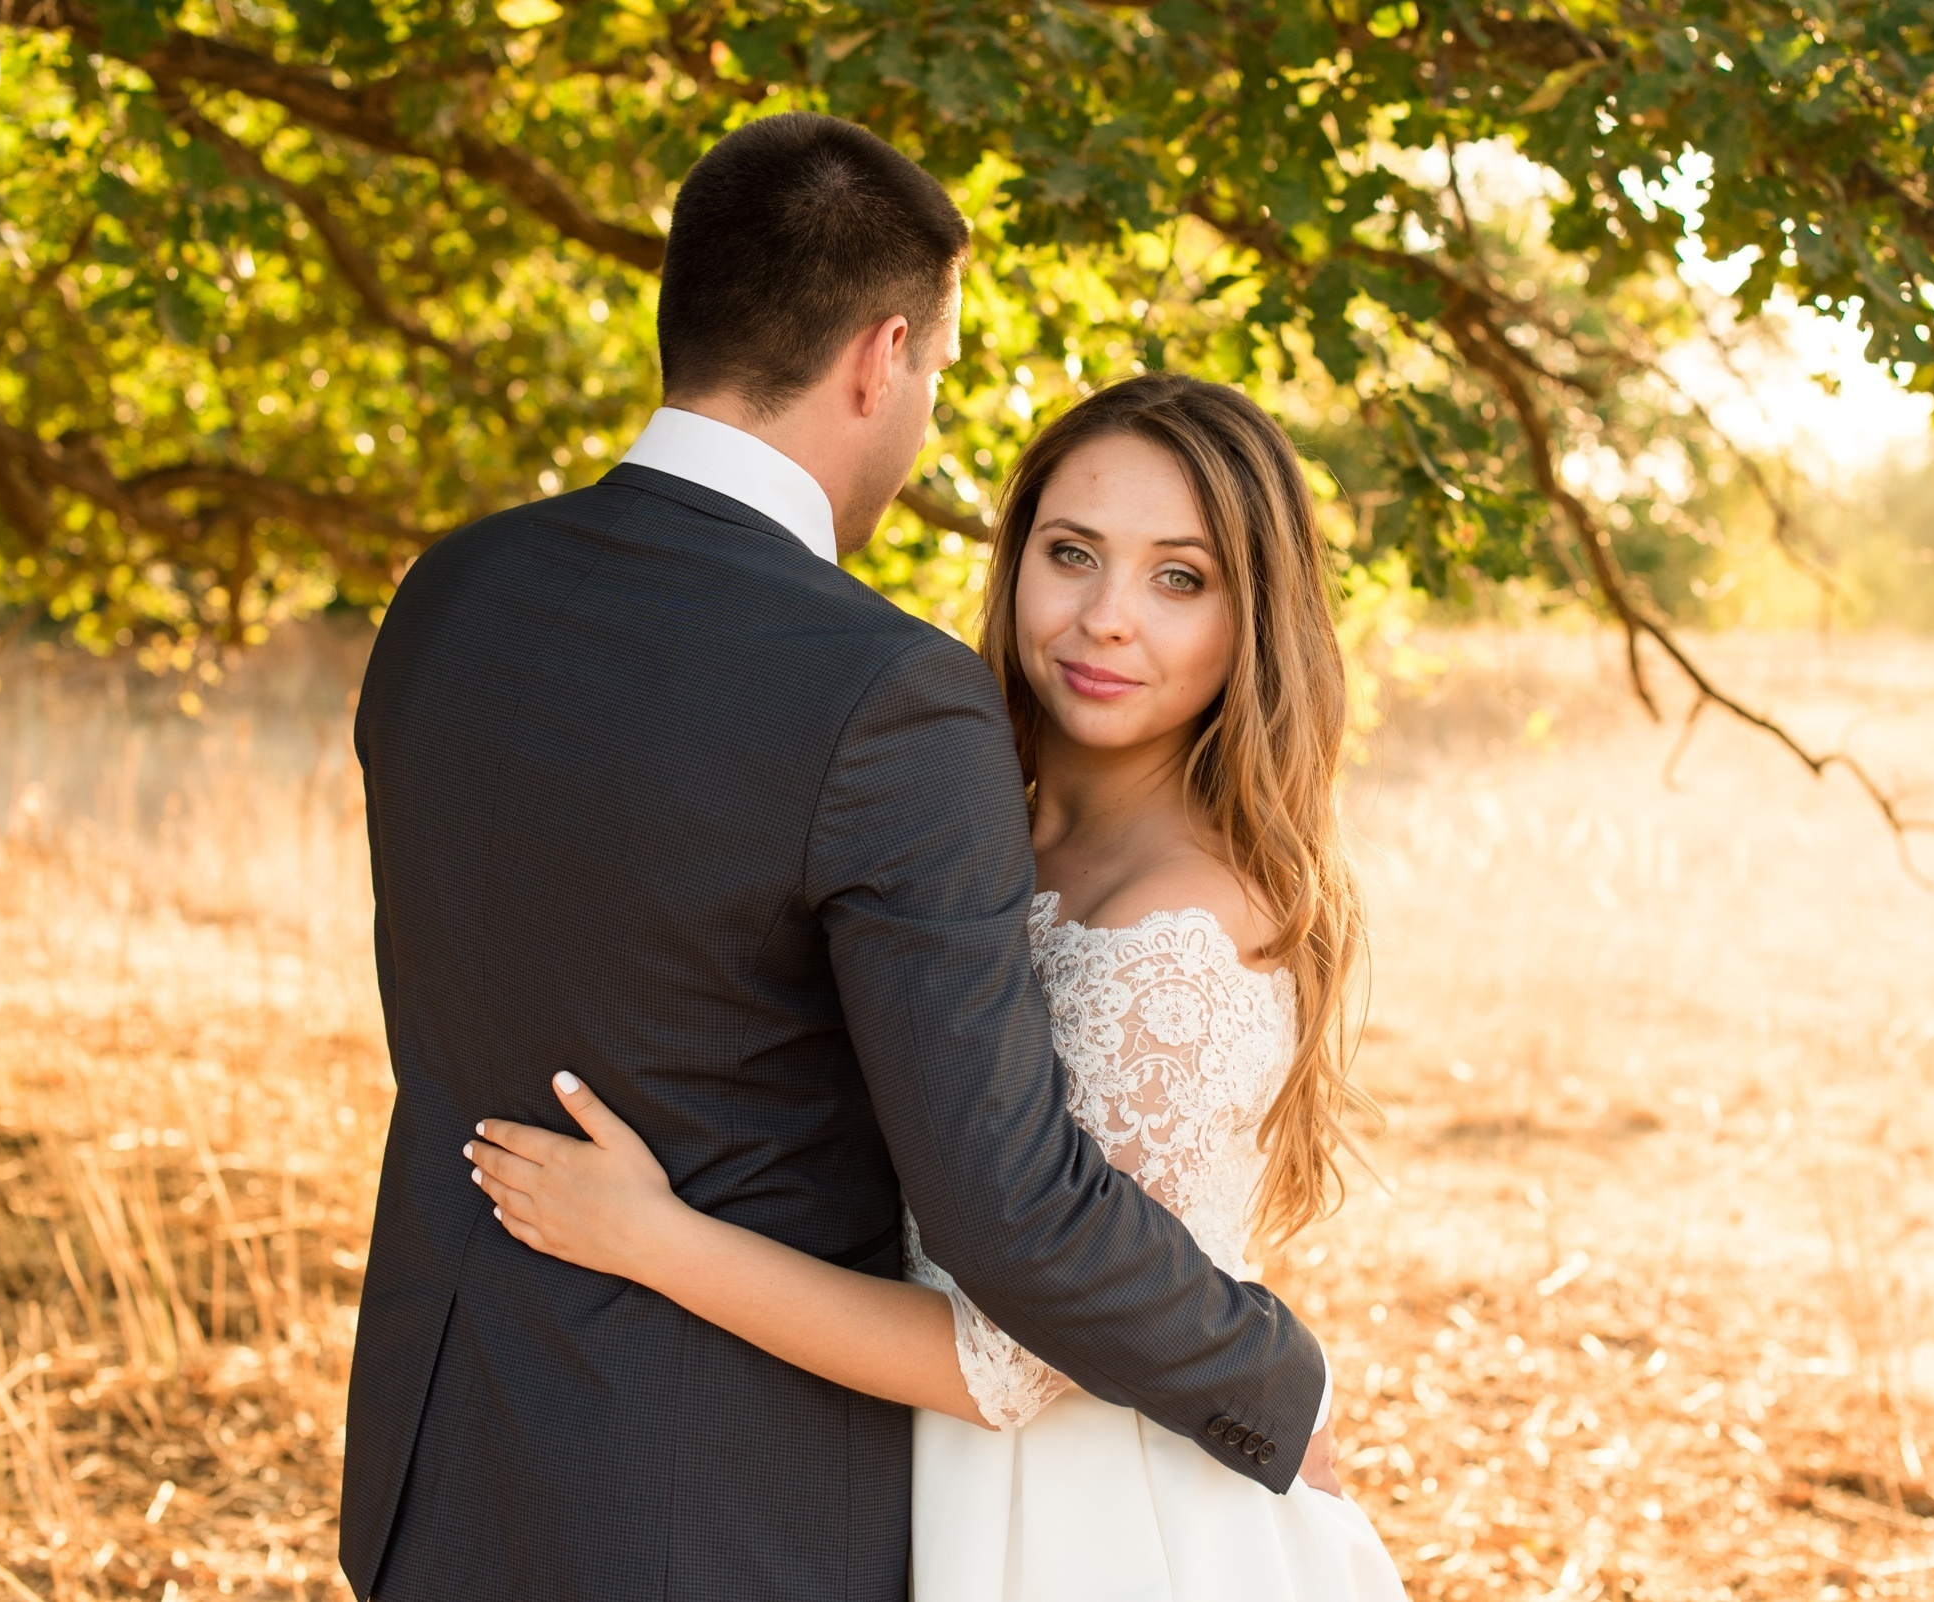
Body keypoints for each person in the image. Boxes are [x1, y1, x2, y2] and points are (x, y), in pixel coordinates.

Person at [339, 113, 1333, 1601]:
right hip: (715, 1501)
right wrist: (1276, 1371)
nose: (1107, 613)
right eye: (933, 373)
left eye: (1177, 577)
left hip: (446, 1453)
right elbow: (1021, 1219)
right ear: (881, 357)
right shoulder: (885, 698)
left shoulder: (453, 592)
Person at [465, 374, 1407, 1599]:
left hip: (1092, 1521)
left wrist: (656, 1240)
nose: (1106, 618)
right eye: (1072, 554)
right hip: (907, 1479)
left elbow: (1005, 1368)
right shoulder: (969, 828)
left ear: (1254, 619)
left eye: (1180, 577)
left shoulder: (1186, 927)